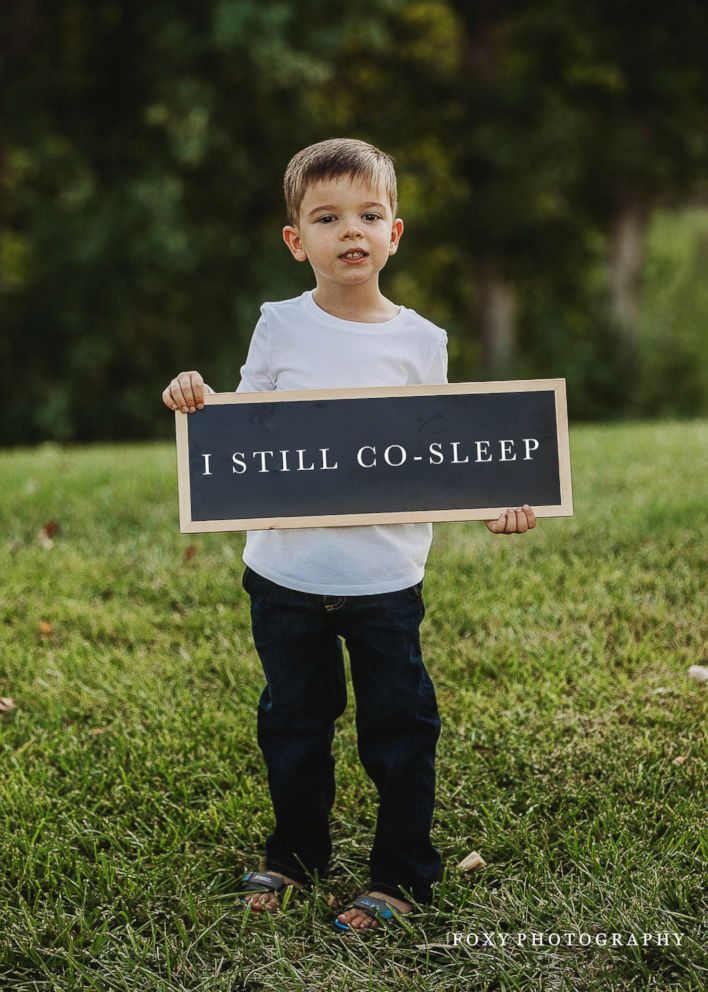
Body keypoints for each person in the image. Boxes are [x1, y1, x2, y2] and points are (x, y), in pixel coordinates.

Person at [162, 138, 537, 932]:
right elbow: (243, 426)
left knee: (400, 730)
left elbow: (442, 454)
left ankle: (402, 876)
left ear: (395, 233)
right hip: (286, 577)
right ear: (298, 241)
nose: (351, 231)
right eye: (328, 218)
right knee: (294, 725)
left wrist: (502, 500)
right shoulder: (279, 325)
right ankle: (296, 855)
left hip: (382, 580)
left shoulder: (420, 340)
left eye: (369, 214)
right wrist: (198, 397)